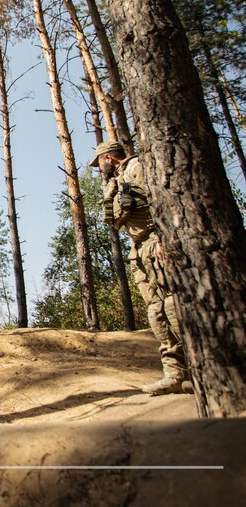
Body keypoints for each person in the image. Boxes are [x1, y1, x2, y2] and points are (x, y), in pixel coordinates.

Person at [91, 141, 190, 396]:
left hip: (156, 242)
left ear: (109, 158)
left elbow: (163, 200)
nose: (98, 168)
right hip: (139, 250)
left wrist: (164, 237)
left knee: (173, 306)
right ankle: (176, 374)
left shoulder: (137, 167)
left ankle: (203, 367)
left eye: (99, 163)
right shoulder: (117, 180)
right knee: (156, 312)